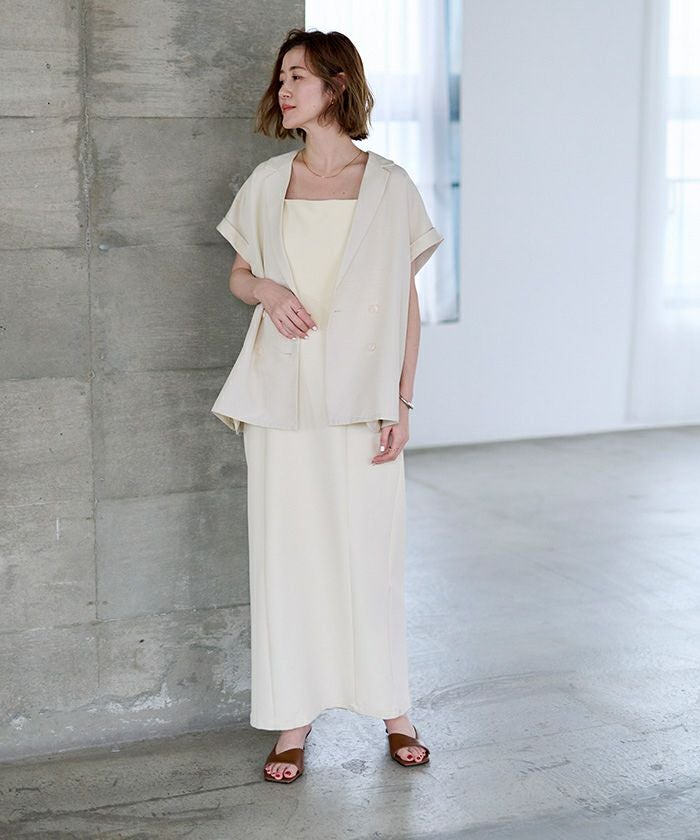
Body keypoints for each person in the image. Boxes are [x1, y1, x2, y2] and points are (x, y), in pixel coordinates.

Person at [211, 28, 444, 784]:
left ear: (336, 85)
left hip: (361, 395)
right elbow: (240, 275)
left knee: (371, 555)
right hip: (283, 395)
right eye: (281, 77)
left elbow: (406, 302)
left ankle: (394, 711)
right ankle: (293, 719)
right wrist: (267, 290)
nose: (284, 89)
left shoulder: (391, 186)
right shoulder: (266, 183)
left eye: (299, 77)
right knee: (289, 557)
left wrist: (402, 398)